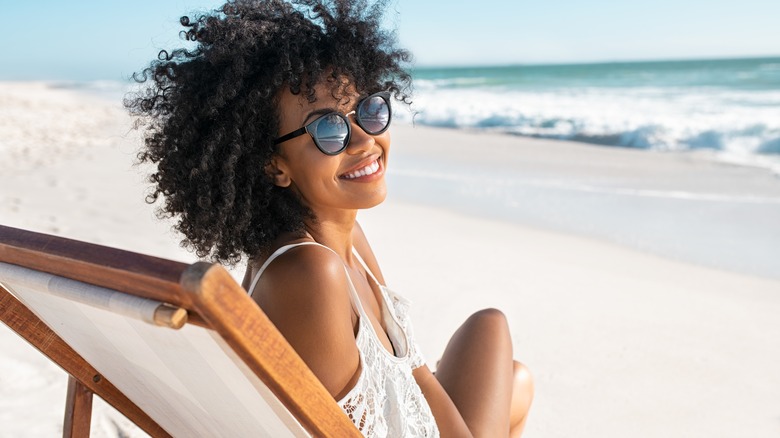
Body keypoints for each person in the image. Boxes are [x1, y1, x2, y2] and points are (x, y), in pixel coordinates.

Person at [126, 0, 533, 436]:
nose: (363, 140)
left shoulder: (347, 235)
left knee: (500, 347)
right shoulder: (309, 271)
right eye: (328, 129)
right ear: (273, 165)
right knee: (511, 378)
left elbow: (413, 371)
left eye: (370, 111)